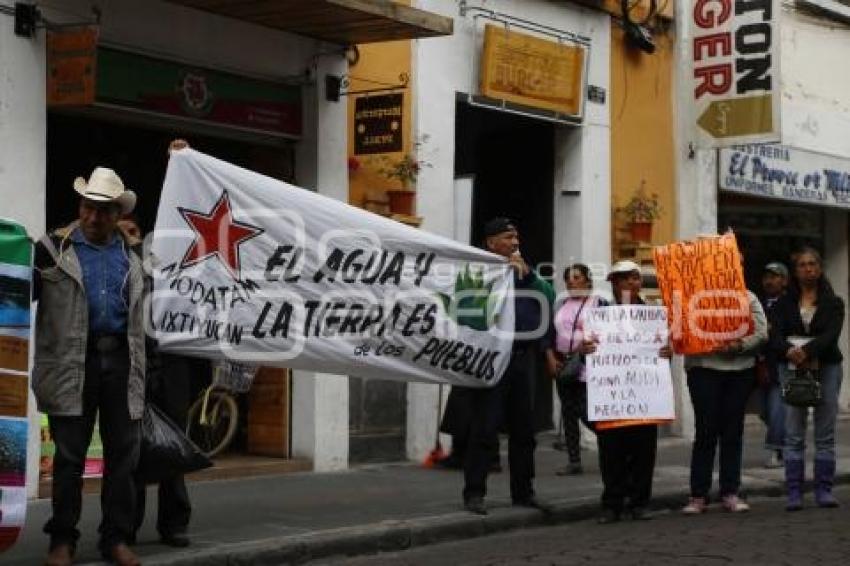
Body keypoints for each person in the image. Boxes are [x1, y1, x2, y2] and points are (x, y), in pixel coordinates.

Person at [33, 167, 145, 566]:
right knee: (68, 458)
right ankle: (61, 540)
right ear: (80, 207)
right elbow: (12, 291)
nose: (94, 217)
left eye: (103, 210)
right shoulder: (50, 249)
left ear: (118, 214)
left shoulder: (135, 253)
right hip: (69, 363)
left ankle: (115, 538)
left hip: (121, 360)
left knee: (123, 457)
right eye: (88, 207)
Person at [462, 217, 554, 515]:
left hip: (521, 359)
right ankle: (474, 493)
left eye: (516, 238)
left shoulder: (526, 273)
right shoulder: (478, 269)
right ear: (491, 243)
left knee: (524, 432)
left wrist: (527, 277)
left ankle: (524, 492)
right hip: (491, 359)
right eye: (507, 237)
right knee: (484, 429)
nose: (515, 243)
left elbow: (549, 300)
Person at [584, 261, 671, 523]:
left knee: (644, 453)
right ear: (614, 283)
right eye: (625, 279)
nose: (632, 283)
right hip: (612, 396)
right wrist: (585, 348)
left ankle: (639, 503)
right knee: (611, 454)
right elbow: (587, 345)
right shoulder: (601, 313)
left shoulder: (653, 315)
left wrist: (666, 352)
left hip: (644, 397)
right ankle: (612, 504)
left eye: (635, 278)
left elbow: (663, 348)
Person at [131, 190, 194, 547]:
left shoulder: (168, 267)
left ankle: (174, 522)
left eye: (133, 232)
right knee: (132, 449)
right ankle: (127, 524)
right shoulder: (116, 269)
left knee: (174, 446)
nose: (129, 239)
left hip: (170, 367)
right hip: (132, 366)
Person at [682, 273, 768, 515]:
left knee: (732, 431)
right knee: (705, 431)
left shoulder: (747, 297)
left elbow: (762, 332)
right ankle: (698, 494)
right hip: (703, 369)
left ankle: (730, 491)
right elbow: (679, 327)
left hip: (739, 371)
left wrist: (738, 345)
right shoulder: (692, 298)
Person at [770, 247, 844, 510]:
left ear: (820, 268)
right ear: (795, 271)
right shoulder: (781, 304)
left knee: (825, 433)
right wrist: (790, 352)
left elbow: (830, 335)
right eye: (802, 264)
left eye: (812, 264)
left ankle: (824, 490)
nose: (808, 268)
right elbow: (775, 336)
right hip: (791, 369)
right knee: (794, 432)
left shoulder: (834, 303)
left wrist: (807, 351)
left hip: (826, 368)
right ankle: (794, 492)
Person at [545, 263, 598, 475]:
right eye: (568, 278)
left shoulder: (599, 304)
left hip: (587, 365)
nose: (571, 281)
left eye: (576, 277)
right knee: (568, 413)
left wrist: (583, 346)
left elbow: (607, 333)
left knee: (586, 412)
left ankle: (614, 447)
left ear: (587, 280)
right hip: (563, 363)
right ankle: (574, 460)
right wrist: (550, 358)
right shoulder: (560, 304)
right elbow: (548, 333)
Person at [757, 262, 788, 468]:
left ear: (784, 281)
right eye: (767, 276)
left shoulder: (789, 304)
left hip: (781, 364)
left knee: (777, 408)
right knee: (764, 411)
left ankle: (777, 450)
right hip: (760, 364)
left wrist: (771, 330)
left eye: (775, 276)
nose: (770, 280)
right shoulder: (758, 304)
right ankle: (788, 442)